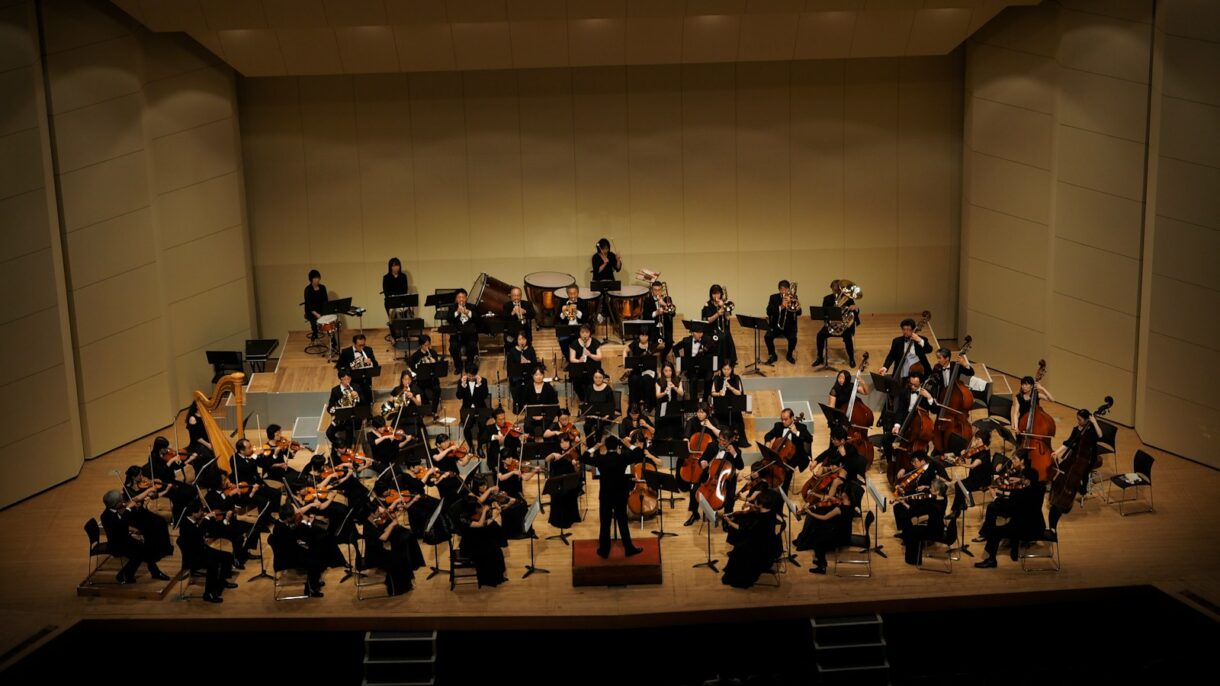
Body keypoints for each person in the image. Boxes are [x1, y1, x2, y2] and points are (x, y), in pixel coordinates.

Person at [974, 450, 1044, 568]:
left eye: (1022, 479)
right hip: (1038, 525)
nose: (1020, 480)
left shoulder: (1020, 493)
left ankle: (991, 560)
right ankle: (1012, 549)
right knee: (1012, 521)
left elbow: (1009, 508)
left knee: (997, 532)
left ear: (1027, 480)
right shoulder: (1040, 489)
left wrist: (995, 497)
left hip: (1025, 528)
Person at [580, 434, 646, 558]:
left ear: (606, 447)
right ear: (617, 447)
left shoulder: (601, 459)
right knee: (622, 522)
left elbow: (583, 458)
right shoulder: (623, 457)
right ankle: (629, 548)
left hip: (605, 495)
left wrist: (595, 446)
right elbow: (639, 454)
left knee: (605, 523)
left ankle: (604, 550)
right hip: (620, 494)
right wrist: (628, 444)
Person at [1046, 408, 1103, 534]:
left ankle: (1072, 495)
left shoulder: (1092, 430)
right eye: (1077, 418)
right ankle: (1057, 495)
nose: (1078, 421)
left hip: (1087, 459)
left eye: (1080, 419)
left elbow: (1100, 435)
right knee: (1062, 470)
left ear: (1087, 419)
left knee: (1075, 476)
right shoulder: (1076, 429)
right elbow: (1069, 442)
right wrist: (1057, 452)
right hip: (1074, 456)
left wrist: (1094, 422)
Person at [100, 489, 172, 584]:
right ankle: (125, 575)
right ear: (116, 504)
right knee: (139, 555)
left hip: (125, 539)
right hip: (117, 544)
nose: (123, 502)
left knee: (146, 549)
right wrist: (128, 511)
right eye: (121, 501)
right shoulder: (106, 517)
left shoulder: (117, 510)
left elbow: (126, 521)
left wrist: (137, 509)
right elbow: (120, 528)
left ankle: (155, 572)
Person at [721, 489, 784, 588]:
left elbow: (742, 529)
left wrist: (729, 522)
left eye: (756, 502)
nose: (754, 502)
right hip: (768, 541)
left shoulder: (760, 521)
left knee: (738, 550)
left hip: (760, 549)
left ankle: (738, 576)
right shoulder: (772, 512)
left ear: (761, 505)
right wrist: (752, 506)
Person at [450, 480, 508, 586]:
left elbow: (484, 523)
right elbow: (481, 524)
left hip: (475, 538)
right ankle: (491, 578)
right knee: (493, 552)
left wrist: (493, 516)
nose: (479, 509)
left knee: (496, 549)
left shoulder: (469, 512)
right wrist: (486, 512)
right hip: (470, 545)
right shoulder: (464, 519)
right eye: (477, 508)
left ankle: (499, 575)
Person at [177, 503, 238, 603]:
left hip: (202, 550)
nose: (203, 513)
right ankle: (208, 594)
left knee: (227, 556)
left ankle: (221, 582)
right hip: (193, 556)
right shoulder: (185, 524)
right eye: (200, 511)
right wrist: (206, 519)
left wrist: (225, 519)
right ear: (193, 513)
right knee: (213, 564)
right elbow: (197, 533)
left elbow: (213, 530)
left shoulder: (197, 520)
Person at [686, 429, 745, 525]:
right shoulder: (712, 446)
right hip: (710, 476)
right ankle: (695, 514)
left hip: (726, 479)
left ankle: (727, 519)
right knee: (694, 491)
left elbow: (740, 466)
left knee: (730, 497)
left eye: (724, 441)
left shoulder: (735, 450)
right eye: (719, 439)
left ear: (730, 440)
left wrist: (734, 454)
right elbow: (702, 458)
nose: (721, 442)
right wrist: (703, 462)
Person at [794, 487, 853, 575]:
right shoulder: (849, 503)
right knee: (818, 531)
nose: (839, 494)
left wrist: (810, 513)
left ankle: (822, 567)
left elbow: (824, 518)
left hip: (840, 536)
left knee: (817, 539)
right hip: (845, 531)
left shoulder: (839, 509)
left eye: (841, 492)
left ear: (845, 495)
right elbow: (831, 498)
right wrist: (816, 495)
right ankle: (820, 560)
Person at [763, 409, 814, 492]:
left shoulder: (801, 427)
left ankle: (784, 491)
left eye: (786, 419)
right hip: (779, 453)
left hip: (796, 455)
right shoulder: (778, 426)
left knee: (787, 470)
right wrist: (768, 442)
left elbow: (809, 439)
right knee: (766, 464)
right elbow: (768, 435)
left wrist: (796, 432)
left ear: (792, 418)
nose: (783, 422)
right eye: (782, 419)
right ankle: (766, 486)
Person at [814, 280, 859, 368]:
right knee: (819, 335)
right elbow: (824, 314)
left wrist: (855, 308)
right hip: (831, 325)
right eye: (835, 290)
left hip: (844, 326)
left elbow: (854, 314)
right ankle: (820, 357)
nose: (837, 291)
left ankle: (851, 358)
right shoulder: (827, 299)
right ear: (831, 289)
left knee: (848, 337)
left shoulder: (848, 299)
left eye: (838, 290)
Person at [949, 429, 994, 514]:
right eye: (975, 439)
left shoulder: (985, 453)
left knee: (960, 485)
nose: (976, 441)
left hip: (981, 481)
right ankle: (961, 505)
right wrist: (965, 451)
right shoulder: (978, 449)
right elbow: (968, 456)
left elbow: (973, 465)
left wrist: (960, 464)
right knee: (958, 484)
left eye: (978, 439)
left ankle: (955, 510)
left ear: (984, 440)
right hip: (974, 477)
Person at [544, 434, 583, 530]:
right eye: (562, 442)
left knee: (569, 492)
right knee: (559, 494)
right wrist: (553, 455)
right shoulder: (555, 451)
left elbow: (578, 470)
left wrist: (576, 465)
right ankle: (557, 520)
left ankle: (570, 518)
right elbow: (546, 459)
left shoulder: (574, 451)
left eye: (566, 442)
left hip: (570, 479)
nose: (565, 444)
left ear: (569, 442)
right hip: (557, 479)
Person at [878, 317, 932, 381]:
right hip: (902, 372)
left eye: (908, 329)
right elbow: (891, 356)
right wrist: (885, 367)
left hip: (919, 373)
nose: (905, 332)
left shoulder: (921, 339)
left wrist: (920, 340)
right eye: (903, 329)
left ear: (913, 329)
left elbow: (929, 350)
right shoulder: (897, 341)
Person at [336, 333, 378, 403]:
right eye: (360, 345)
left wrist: (371, 362)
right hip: (352, 380)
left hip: (365, 380)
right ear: (354, 344)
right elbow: (339, 366)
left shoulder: (368, 350)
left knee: (366, 400)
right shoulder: (346, 352)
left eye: (363, 345)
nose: (362, 348)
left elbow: (376, 365)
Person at [709, 360, 745, 442]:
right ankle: (722, 438)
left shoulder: (736, 378)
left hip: (734, 406)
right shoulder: (717, 378)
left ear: (731, 369)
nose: (726, 371)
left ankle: (736, 439)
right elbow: (712, 392)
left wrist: (730, 387)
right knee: (719, 418)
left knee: (736, 418)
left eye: (728, 369)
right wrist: (719, 393)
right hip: (721, 405)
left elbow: (740, 393)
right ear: (721, 369)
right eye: (724, 369)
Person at [765, 279, 799, 364]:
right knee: (767, 337)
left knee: (793, 338)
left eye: (786, 289)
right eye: (782, 289)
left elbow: (799, 313)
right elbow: (768, 311)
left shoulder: (793, 297)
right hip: (776, 325)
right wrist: (781, 306)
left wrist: (798, 307)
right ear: (779, 289)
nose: (784, 291)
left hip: (789, 326)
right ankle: (773, 355)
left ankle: (789, 354)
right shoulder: (773, 297)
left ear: (789, 289)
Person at [456, 364, 489, 451]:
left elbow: (485, 396)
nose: (470, 378)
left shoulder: (483, 381)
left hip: (481, 408)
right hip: (467, 409)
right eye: (469, 375)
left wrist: (479, 384)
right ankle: (470, 446)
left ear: (476, 374)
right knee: (466, 427)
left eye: (473, 376)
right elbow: (459, 396)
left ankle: (480, 447)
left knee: (483, 426)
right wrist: (463, 385)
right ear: (466, 373)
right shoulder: (461, 381)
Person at [326, 369, 362, 448]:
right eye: (345, 379)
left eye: (349, 378)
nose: (347, 381)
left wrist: (357, 397)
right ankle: (340, 445)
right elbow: (330, 406)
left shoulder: (356, 387)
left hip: (351, 417)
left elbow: (364, 402)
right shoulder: (335, 390)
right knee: (329, 433)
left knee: (349, 429)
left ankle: (348, 449)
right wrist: (333, 412)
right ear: (341, 379)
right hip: (339, 418)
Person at [701, 284, 736, 366]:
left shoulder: (724, 303)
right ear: (711, 294)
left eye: (718, 293)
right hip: (711, 330)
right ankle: (720, 362)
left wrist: (723, 306)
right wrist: (718, 314)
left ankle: (728, 361)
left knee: (727, 334)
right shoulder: (707, 305)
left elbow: (727, 318)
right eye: (714, 294)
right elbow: (708, 320)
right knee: (721, 337)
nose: (716, 296)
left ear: (721, 294)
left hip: (722, 330)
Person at [505, 331, 539, 413]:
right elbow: (510, 367)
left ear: (527, 340)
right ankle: (518, 404)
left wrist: (528, 362)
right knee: (516, 386)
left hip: (528, 376)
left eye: (523, 339)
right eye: (519, 339)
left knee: (529, 386)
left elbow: (535, 364)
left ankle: (529, 405)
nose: (522, 341)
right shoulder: (512, 351)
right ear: (516, 340)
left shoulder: (531, 349)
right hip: (517, 377)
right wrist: (519, 363)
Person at [674, 326, 712, 398]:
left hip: (703, 368)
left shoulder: (707, 340)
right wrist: (680, 360)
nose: (700, 335)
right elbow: (675, 348)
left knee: (709, 378)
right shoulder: (686, 341)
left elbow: (714, 352)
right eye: (697, 332)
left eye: (701, 333)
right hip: (691, 368)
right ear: (692, 333)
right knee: (693, 379)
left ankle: (705, 400)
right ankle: (693, 402)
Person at [623, 330, 658, 411]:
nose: (644, 337)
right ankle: (634, 404)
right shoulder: (635, 344)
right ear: (639, 336)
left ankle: (648, 404)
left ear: (648, 336)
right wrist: (625, 364)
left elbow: (653, 361)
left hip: (648, 369)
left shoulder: (651, 345)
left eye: (646, 335)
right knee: (634, 378)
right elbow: (625, 350)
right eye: (642, 335)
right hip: (637, 369)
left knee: (646, 379)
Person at [408, 335, 442, 416]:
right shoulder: (415, 356)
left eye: (428, 344)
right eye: (425, 345)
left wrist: (434, 363)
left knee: (437, 390)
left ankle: (434, 411)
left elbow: (437, 368)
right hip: (421, 381)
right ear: (421, 345)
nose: (427, 346)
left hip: (432, 379)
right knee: (420, 392)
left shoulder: (433, 353)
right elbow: (412, 369)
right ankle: (426, 409)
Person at [521, 366, 558, 436]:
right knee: (527, 426)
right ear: (532, 376)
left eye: (541, 374)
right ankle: (531, 443)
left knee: (547, 426)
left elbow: (554, 404)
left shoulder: (548, 387)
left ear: (543, 375)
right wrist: (532, 415)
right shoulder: (528, 387)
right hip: (531, 415)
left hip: (546, 415)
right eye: (536, 375)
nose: (539, 377)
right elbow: (524, 402)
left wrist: (543, 416)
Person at [568, 324, 602, 401]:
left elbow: (599, 357)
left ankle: (590, 398)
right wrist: (579, 360)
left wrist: (590, 355)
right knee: (577, 384)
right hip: (578, 368)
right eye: (582, 332)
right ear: (579, 333)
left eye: (586, 332)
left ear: (590, 333)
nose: (584, 334)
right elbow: (572, 359)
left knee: (591, 383)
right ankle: (583, 398)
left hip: (592, 367)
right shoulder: (574, 343)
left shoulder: (595, 342)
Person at [641, 280, 674, 356]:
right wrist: (656, 313)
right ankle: (649, 358)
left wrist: (664, 304)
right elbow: (645, 316)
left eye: (659, 290)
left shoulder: (667, 299)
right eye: (655, 290)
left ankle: (663, 357)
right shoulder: (647, 300)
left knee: (669, 343)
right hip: (653, 328)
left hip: (665, 327)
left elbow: (673, 313)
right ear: (652, 290)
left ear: (662, 290)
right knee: (652, 343)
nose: (657, 292)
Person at [448, 288, 479, 369]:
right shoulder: (452, 308)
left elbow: (477, 319)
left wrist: (467, 312)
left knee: (472, 346)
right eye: (459, 297)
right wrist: (457, 312)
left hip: (470, 334)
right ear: (456, 298)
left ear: (466, 298)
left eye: (463, 297)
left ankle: (469, 365)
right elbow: (449, 319)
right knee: (453, 348)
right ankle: (458, 366)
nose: (461, 299)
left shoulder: (472, 306)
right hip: (456, 335)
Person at [654, 362, 685, 441]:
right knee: (663, 419)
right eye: (666, 371)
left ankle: (676, 439)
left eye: (670, 370)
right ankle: (663, 439)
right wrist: (664, 392)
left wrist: (674, 387)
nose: (668, 373)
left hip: (674, 404)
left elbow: (681, 393)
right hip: (663, 404)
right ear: (663, 371)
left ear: (672, 371)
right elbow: (657, 395)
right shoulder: (659, 381)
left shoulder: (677, 379)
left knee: (675, 418)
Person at [582, 368, 616, 439]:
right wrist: (589, 414)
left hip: (604, 416)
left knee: (599, 425)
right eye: (596, 377)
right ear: (593, 378)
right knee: (586, 426)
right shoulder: (589, 388)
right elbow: (586, 402)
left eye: (600, 377)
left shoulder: (608, 389)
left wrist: (606, 416)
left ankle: (597, 445)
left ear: (603, 377)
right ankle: (590, 446)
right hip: (592, 415)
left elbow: (611, 404)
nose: (598, 379)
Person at [556, 284, 585, 363]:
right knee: (562, 341)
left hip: (579, 328)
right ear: (567, 294)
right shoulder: (563, 302)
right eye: (570, 293)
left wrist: (575, 310)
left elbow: (585, 317)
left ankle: (578, 360)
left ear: (578, 293)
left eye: (574, 293)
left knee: (578, 341)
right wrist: (563, 312)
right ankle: (570, 361)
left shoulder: (582, 302)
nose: (572, 295)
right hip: (566, 328)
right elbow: (559, 319)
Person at [303, 269, 328, 340]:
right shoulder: (307, 289)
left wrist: (325, 311)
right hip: (311, 311)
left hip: (321, 309)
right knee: (314, 322)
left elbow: (325, 301)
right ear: (311, 279)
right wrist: (316, 314)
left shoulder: (323, 288)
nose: (317, 280)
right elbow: (308, 304)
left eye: (318, 278)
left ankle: (333, 340)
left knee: (330, 320)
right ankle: (315, 333)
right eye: (315, 278)